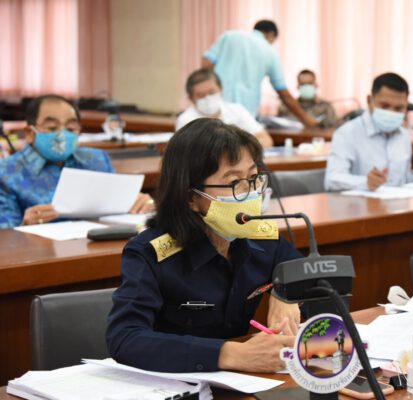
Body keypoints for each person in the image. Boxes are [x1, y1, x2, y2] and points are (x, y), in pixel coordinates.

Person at [106, 119, 301, 373]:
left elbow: (301, 267)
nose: (251, 192)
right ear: (191, 197)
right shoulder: (150, 253)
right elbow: (125, 338)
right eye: (234, 183)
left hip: (242, 380)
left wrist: (285, 292)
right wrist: (227, 354)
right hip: (176, 382)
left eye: (253, 178)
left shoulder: (259, 237)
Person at [0, 95, 154, 229]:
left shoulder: (96, 160)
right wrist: (24, 225)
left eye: (71, 128)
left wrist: (141, 203)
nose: (62, 134)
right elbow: (5, 237)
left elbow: (120, 205)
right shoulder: (6, 173)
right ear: (29, 133)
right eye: (52, 127)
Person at [325, 73, 413, 191]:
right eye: (384, 106)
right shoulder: (347, 133)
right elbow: (332, 180)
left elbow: (402, 182)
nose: (391, 112)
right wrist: (366, 182)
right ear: (369, 100)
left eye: (399, 108)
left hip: (397, 203)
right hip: (360, 204)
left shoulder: (403, 136)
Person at [202, 20, 318, 128]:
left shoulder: (229, 36)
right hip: (246, 112)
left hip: (216, 106)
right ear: (271, 35)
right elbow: (283, 93)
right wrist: (306, 120)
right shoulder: (270, 52)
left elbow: (206, 64)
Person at [176, 68, 274, 148]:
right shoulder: (185, 120)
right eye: (201, 95)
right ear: (191, 99)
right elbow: (188, 153)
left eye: (211, 92)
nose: (208, 98)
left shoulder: (237, 110)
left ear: (221, 89)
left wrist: (239, 151)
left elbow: (265, 140)